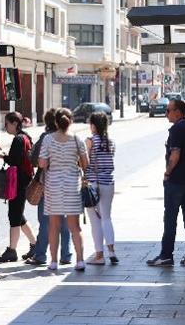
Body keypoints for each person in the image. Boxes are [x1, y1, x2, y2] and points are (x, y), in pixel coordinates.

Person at [147, 99, 185, 267]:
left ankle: (166, 255)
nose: (166, 113)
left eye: (169, 110)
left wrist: (167, 173)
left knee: (170, 219)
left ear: (178, 112)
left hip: (176, 181)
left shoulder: (177, 129)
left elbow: (175, 155)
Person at [38, 108, 88, 271]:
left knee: (54, 225)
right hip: (72, 185)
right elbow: (85, 163)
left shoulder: (48, 140)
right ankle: (80, 260)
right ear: (70, 121)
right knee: (74, 226)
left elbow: (42, 164)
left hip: (53, 185)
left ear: (55, 122)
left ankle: (53, 261)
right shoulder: (76, 139)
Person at [25, 109, 72, 266]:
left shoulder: (46, 138)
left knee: (45, 222)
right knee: (65, 222)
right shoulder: (73, 138)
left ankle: (41, 255)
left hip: (48, 187)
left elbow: (35, 159)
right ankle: (66, 255)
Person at [0, 112, 38, 262]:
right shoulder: (25, 137)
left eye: (6, 123)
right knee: (19, 215)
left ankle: (12, 251)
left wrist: (0, 156)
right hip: (24, 181)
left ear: (14, 123)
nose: (5, 126)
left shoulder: (18, 139)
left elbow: (13, 160)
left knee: (14, 216)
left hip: (18, 183)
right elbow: (18, 158)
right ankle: (35, 244)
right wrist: (3, 152)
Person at [84, 112, 118, 265]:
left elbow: (85, 163)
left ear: (94, 125)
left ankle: (99, 255)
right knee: (107, 217)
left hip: (93, 184)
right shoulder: (110, 142)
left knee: (95, 221)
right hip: (109, 182)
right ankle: (111, 250)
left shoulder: (90, 141)